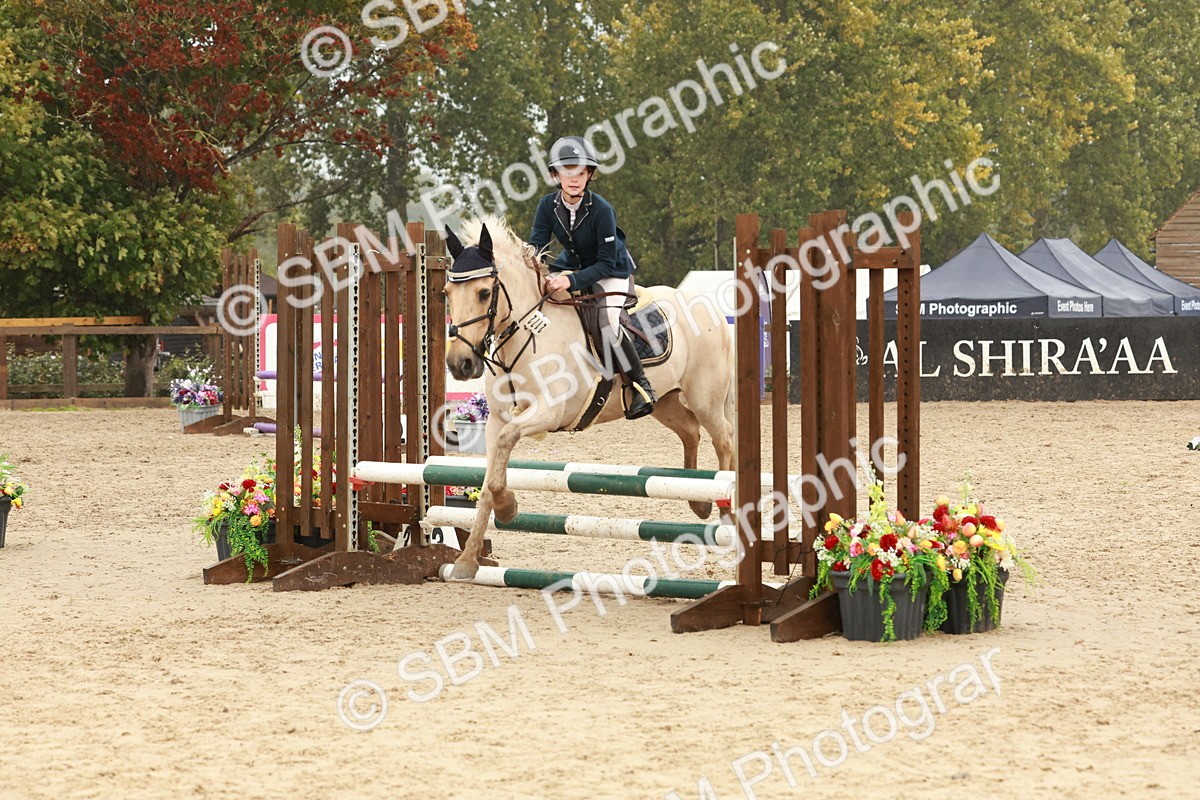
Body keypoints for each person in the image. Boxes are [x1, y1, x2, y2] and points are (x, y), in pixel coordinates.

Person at [529, 135, 656, 420]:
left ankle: (641, 386)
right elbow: (537, 247)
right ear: (555, 174)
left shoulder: (602, 210)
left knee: (606, 322)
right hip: (571, 266)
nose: (574, 179)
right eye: (567, 172)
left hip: (610, 270)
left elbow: (604, 262)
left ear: (589, 175)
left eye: (581, 172)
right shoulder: (546, 206)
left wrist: (570, 282)